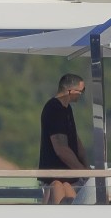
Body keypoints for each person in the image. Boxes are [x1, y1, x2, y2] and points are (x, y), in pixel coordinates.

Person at [38, 73, 89, 204]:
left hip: (67, 178)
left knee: (72, 198)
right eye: (81, 91)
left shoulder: (67, 109)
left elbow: (75, 140)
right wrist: (82, 171)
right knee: (59, 190)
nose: (82, 94)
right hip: (55, 177)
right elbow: (61, 148)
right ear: (70, 91)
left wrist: (86, 167)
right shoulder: (54, 109)